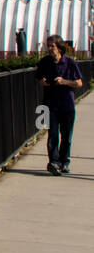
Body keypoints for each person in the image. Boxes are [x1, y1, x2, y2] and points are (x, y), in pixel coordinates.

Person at [36, 35, 83, 175]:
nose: (49, 49)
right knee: (52, 135)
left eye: (52, 46)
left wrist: (64, 82)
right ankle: (54, 162)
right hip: (50, 104)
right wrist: (43, 82)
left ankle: (64, 162)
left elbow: (79, 83)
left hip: (67, 104)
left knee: (66, 136)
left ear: (59, 47)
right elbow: (38, 79)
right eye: (48, 46)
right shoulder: (44, 62)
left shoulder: (70, 63)